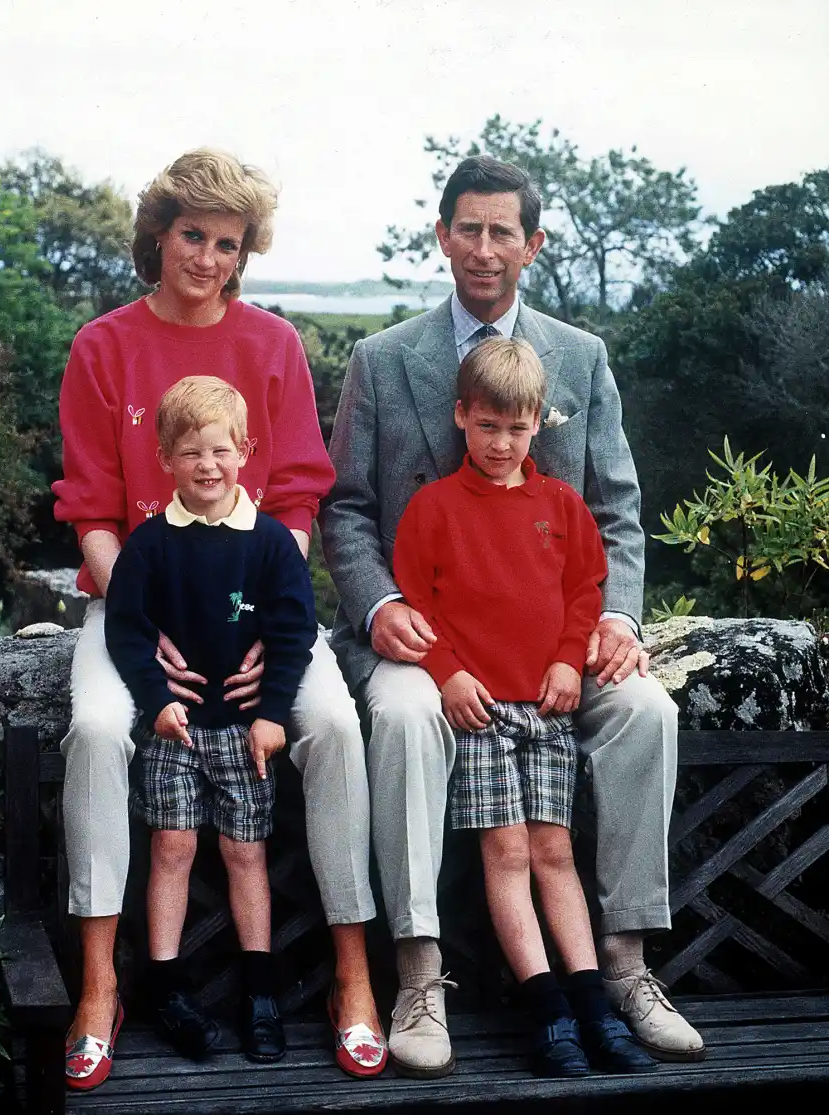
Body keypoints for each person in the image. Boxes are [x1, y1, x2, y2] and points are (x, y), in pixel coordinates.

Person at [321, 154, 706, 1068]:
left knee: (646, 709)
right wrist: (376, 604)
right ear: (443, 234)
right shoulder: (383, 360)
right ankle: (419, 974)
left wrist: (616, 619)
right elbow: (343, 508)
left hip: (556, 648)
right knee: (408, 715)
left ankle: (622, 964)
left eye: (503, 232)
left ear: (532, 244)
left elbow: (613, 509)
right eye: (468, 228)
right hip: (427, 642)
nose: (484, 249)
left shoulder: (580, 357)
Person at [54, 149, 387, 1091]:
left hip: (256, 611)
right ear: (158, 235)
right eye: (191, 235)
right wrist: (141, 611)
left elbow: (294, 503)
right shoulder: (102, 345)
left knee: (332, 722)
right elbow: (90, 511)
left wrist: (256, 634)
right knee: (93, 729)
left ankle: (353, 977)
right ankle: (98, 987)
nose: (207, 257)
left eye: (227, 244)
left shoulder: (273, 346)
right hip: (135, 606)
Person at [393, 337, 656, 1076]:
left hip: (546, 706)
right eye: (486, 427)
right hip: (479, 711)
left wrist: (571, 658)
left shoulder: (561, 507)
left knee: (554, 853)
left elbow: (585, 593)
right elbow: (415, 607)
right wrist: (446, 674)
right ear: (461, 418)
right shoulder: (433, 508)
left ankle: (593, 1005)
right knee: (506, 853)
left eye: (516, 428)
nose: (501, 443)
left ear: (539, 422)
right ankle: (547, 1011)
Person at [104, 376, 316, 1063]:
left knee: (246, 852)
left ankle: (260, 990)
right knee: (171, 847)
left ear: (247, 451)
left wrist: (275, 714)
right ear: (164, 456)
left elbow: (294, 633)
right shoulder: (149, 545)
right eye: (191, 451)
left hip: (245, 729)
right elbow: (130, 633)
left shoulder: (271, 544)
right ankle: (165, 986)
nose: (207, 465)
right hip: (177, 727)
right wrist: (155, 699)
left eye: (222, 450)